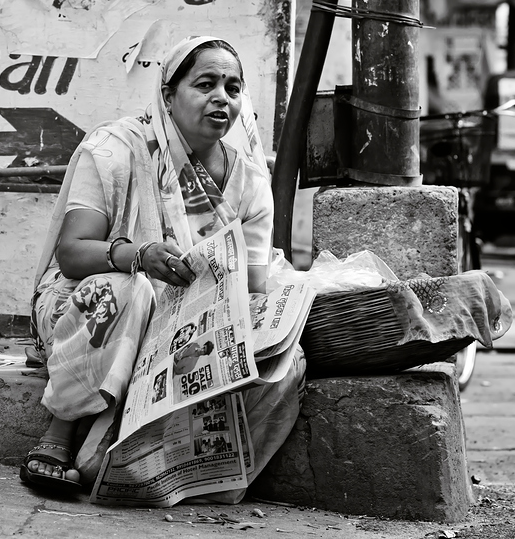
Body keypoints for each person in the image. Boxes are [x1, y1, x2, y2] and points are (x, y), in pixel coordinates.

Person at [22, 35, 305, 501]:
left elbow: (252, 284)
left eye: (233, 88)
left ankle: (171, 466)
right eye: (206, 84)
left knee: (285, 354)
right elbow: (72, 253)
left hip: (186, 323)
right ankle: (60, 430)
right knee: (132, 291)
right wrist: (139, 254)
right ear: (168, 96)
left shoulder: (250, 182)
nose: (222, 98)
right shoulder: (117, 150)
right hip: (84, 304)